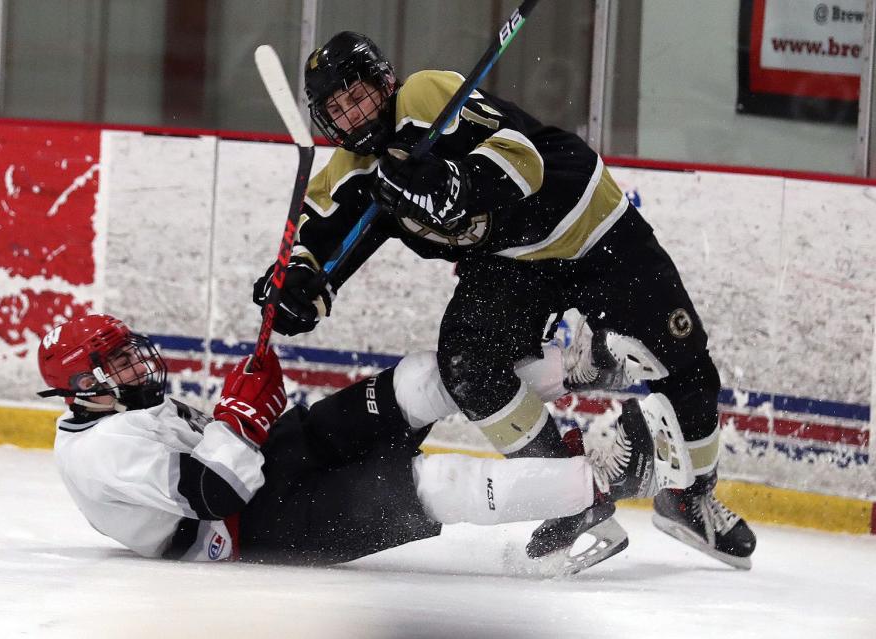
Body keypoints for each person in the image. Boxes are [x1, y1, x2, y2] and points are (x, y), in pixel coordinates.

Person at [251, 31, 755, 569]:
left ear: (384, 82)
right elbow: (315, 243)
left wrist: (455, 183)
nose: (357, 112)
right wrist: (294, 288)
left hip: (584, 221)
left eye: (361, 95)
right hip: (510, 262)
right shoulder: (352, 174)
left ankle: (690, 497)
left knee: (684, 362)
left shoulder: (425, 97)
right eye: (341, 107)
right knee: (468, 364)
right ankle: (568, 493)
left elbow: (524, 158)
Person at [37, 313, 690, 573]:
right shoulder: (100, 451)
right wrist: (238, 414)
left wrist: (251, 413)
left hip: (270, 463)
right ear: (83, 386)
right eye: (118, 362)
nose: (137, 365)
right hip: (253, 526)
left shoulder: (131, 405)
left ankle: (573, 366)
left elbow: (222, 448)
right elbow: (211, 489)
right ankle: (608, 479)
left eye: (128, 353)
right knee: (435, 487)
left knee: (423, 377)